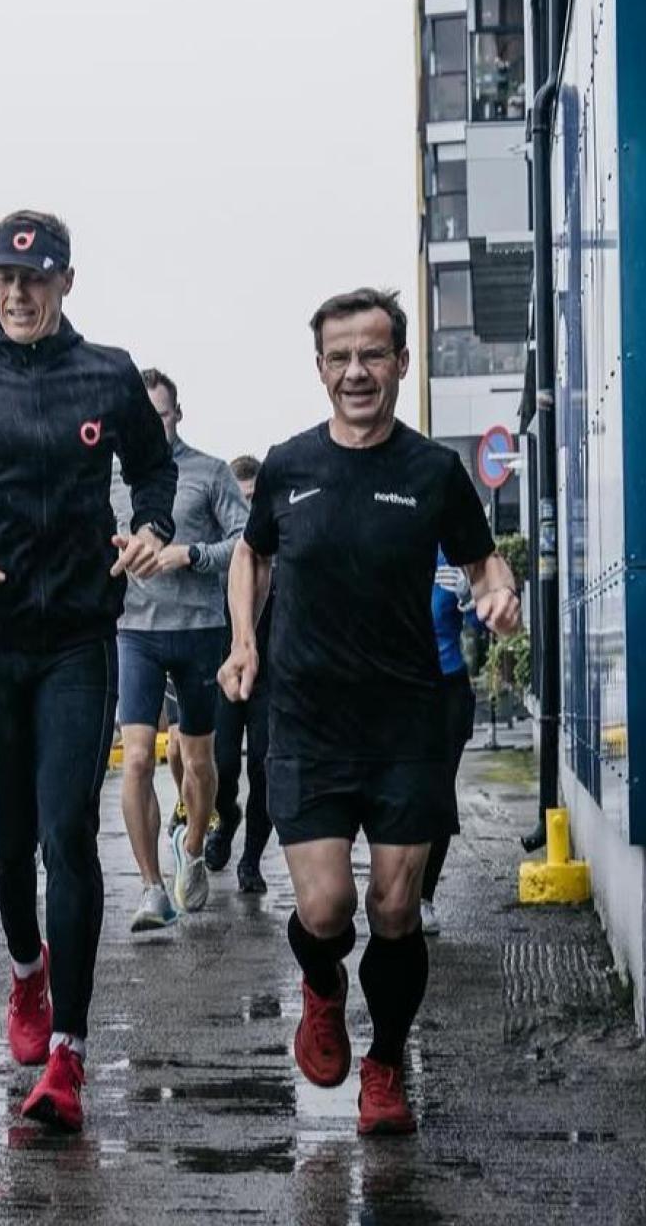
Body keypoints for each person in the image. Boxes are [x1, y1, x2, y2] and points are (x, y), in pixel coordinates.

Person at [0, 210, 176, 1131]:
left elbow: (154, 470)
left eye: (36, 278)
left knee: (66, 839)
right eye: (5, 279)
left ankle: (71, 1053)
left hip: (79, 641)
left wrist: (152, 529)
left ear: (65, 282)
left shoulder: (106, 373)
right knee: (7, 844)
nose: (18, 294)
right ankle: (26, 971)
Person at [218, 287, 520, 1136]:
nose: (357, 371)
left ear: (400, 365)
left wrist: (503, 597)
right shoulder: (288, 465)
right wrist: (244, 642)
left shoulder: (432, 472)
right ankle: (321, 989)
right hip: (306, 721)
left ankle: (385, 1063)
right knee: (326, 913)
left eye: (373, 354)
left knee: (394, 909)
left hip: (404, 726)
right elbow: (251, 557)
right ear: (320, 370)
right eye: (341, 357)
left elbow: (486, 566)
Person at [111, 369, 248, 929]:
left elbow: (248, 540)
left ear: (177, 416)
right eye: (140, 418)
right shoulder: (111, 479)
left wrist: (191, 555)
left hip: (198, 630)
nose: (151, 426)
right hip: (134, 632)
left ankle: (192, 849)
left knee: (198, 762)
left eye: (160, 416)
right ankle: (151, 889)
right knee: (138, 758)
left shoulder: (210, 472)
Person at [418, 550, 481, 935]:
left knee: (438, 792)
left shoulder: (451, 554)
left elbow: (483, 626)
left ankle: (424, 897)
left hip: (448, 690)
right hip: (403, 687)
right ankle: (395, 889)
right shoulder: (391, 544)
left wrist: (468, 598)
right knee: (404, 791)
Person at [222, 454, 275, 893]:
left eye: (256, 498)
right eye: (242, 499)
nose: (249, 508)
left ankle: (251, 859)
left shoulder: (280, 547)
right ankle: (225, 818)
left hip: (273, 675)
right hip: (223, 670)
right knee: (221, 765)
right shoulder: (227, 551)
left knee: (264, 767)